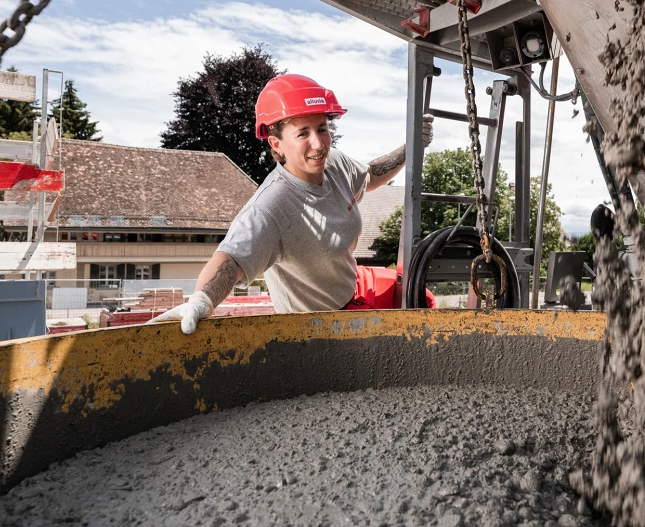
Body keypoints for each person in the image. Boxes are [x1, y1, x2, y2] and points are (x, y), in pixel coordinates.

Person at [151, 74, 433, 334]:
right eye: (302, 133)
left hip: (354, 283)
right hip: (324, 323)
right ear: (276, 144)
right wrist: (201, 300)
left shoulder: (334, 162)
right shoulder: (271, 207)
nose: (318, 144)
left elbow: (368, 175)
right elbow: (231, 260)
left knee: (420, 296)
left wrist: (409, 148)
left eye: (322, 129)